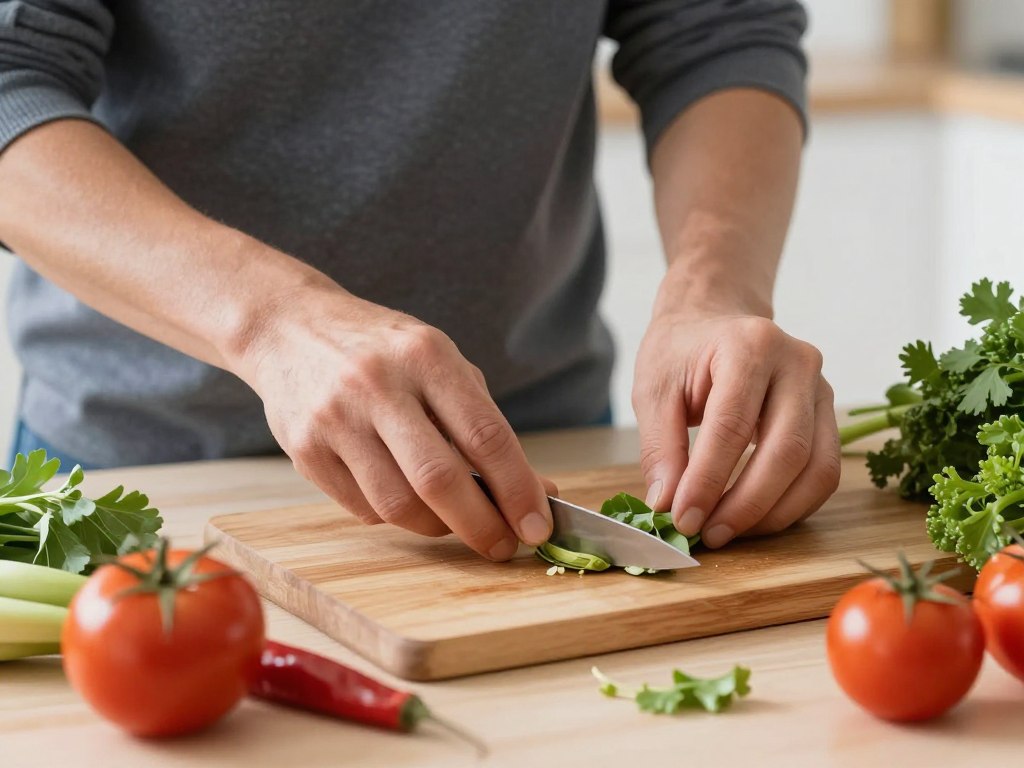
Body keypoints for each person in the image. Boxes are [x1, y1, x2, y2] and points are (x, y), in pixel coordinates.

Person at [0, 1, 840, 562]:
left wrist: (713, 289)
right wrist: (273, 322)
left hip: (536, 445)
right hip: (138, 477)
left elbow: (720, 31)